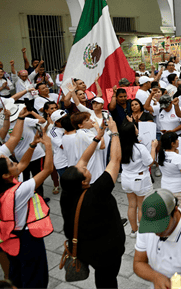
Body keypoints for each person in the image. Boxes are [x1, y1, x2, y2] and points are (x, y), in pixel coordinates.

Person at [0, 128, 54, 289]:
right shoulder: (18, 191)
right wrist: (48, 145)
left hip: (12, 239)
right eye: (11, 164)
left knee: (18, 275)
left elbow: (22, 164)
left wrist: (32, 145)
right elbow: (48, 169)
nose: (15, 163)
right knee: (35, 279)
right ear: (6, 175)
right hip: (27, 239)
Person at [60, 120, 126, 289]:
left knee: (103, 278)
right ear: (83, 182)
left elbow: (82, 159)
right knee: (107, 280)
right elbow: (115, 160)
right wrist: (115, 132)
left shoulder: (67, 193)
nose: (85, 166)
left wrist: (98, 137)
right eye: (84, 170)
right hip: (107, 251)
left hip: (84, 249)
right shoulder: (97, 192)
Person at [133, 189, 181, 289]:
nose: (156, 233)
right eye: (152, 227)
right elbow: (138, 263)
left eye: (161, 226)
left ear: (175, 210)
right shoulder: (147, 226)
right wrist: (156, 277)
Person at [119, 120, 157, 238]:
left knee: (131, 205)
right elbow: (150, 162)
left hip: (126, 178)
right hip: (139, 179)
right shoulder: (139, 148)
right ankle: (142, 231)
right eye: (135, 128)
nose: (137, 129)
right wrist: (153, 148)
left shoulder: (120, 145)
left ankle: (134, 231)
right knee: (141, 206)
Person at [157, 132, 181, 214]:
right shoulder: (178, 158)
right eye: (177, 140)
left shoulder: (160, 154)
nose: (178, 141)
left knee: (170, 212)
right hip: (179, 189)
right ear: (173, 144)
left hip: (166, 188)